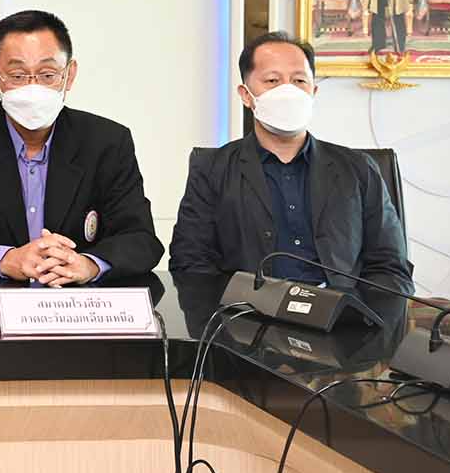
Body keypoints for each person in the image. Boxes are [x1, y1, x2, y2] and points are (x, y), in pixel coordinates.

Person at [0, 9, 163, 285]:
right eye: (17, 75)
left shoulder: (107, 142)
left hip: (75, 305)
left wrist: (88, 265)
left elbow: (141, 239)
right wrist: (5, 259)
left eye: (47, 74)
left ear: (69, 74)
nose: (33, 88)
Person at [168, 31, 412, 292]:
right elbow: (190, 264)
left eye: (299, 81)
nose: (288, 91)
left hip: (341, 311)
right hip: (246, 311)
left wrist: (357, 311)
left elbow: (390, 268)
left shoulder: (359, 169)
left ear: (313, 92)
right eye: (272, 80)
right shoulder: (212, 170)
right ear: (246, 95)